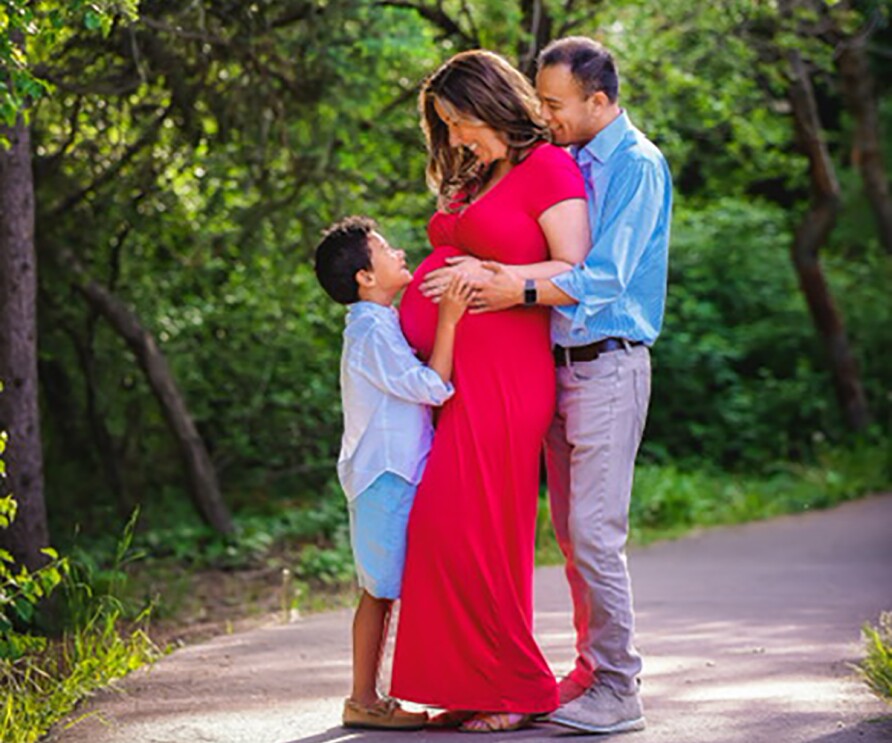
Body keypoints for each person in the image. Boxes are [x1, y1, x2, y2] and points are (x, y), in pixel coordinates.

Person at [432, 37, 673, 734]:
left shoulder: (636, 164)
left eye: (555, 104)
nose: (545, 114)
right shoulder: (564, 160)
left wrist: (517, 286)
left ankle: (621, 687)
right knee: (571, 537)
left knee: (596, 534)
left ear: (600, 100)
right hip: (558, 369)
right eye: (539, 99)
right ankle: (589, 671)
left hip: (609, 362)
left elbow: (607, 274)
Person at [389, 50, 590, 733]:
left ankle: (517, 685)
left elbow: (575, 269)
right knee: (455, 530)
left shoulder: (549, 169)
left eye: (460, 121)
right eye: (443, 127)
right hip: (457, 376)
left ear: (493, 102)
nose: (453, 139)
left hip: (506, 373)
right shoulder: (480, 175)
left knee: (471, 528)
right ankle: (474, 681)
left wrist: (493, 272)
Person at [313, 216, 473, 730]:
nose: (398, 252)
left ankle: (380, 693)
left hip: (398, 471)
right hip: (384, 476)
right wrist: (449, 319)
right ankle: (363, 698)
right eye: (384, 248)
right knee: (380, 589)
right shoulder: (370, 333)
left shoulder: (381, 324)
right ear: (364, 276)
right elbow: (431, 387)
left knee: (392, 588)